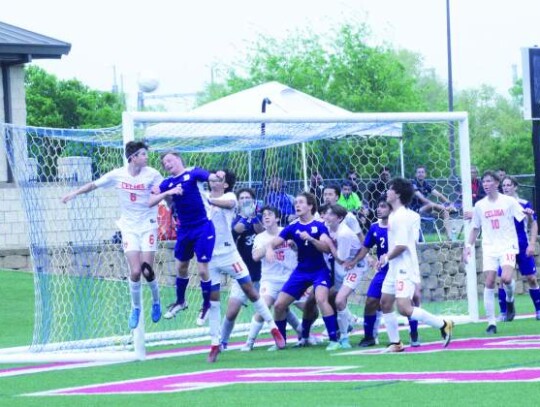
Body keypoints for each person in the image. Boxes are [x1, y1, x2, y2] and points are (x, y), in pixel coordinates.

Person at [62, 141, 163, 330]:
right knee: (135, 271)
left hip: (148, 225)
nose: (146, 157)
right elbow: (94, 185)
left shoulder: (153, 174)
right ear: (133, 157)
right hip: (129, 227)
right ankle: (135, 308)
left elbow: (163, 191)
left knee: (147, 270)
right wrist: (73, 193)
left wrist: (166, 193)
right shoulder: (118, 174)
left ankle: (156, 301)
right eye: (142, 154)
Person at [202, 170, 284, 362]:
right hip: (211, 256)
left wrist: (252, 217)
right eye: (212, 179)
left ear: (225, 185)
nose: (214, 182)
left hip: (235, 258)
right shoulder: (206, 200)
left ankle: (274, 329)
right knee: (218, 302)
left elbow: (234, 208)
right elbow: (235, 229)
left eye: (219, 179)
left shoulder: (230, 198)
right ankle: (217, 343)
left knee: (258, 295)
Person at [379, 177, 453, 352]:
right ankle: (395, 343)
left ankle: (443, 324)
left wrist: (386, 257)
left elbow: (403, 245)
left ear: (396, 194)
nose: (387, 192)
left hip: (404, 267)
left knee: (404, 308)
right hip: (395, 267)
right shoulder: (395, 215)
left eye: (390, 189)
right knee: (385, 302)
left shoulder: (402, 216)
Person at [148, 151, 223, 326]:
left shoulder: (193, 172)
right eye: (164, 162)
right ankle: (181, 301)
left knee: (203, 270)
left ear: (179, 159)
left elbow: (210, 177)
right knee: (181, 267)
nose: (167, 164)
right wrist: (162, 192)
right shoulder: (168, 183)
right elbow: (151, 198)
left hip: (203, 226)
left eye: (170, 160)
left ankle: (206, 306)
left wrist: (217, 176)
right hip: (184, 230)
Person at [266, 192, 340, 350]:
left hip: (319, 270)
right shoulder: (292, 227)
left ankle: (334, 340)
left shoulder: (320, 225)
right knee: (279, 305)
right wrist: (269, 248)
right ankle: (281, 342)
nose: (297, 205)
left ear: (310, 206)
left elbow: (327, 249)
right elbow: (275, 242)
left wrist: (311, 239)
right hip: (301, 271)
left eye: (301, 202)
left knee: (321, 299)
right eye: (296, 203)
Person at [344, 199, 421, 348]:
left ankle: (414, 334)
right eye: (378, 206)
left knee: (409, 302)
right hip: (384, 271)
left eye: (383, 206)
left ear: (392, 209)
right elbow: (365, 248)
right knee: (371, 300)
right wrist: (353, 261)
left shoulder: (399, 225)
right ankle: (369, 337)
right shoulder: (374, 228)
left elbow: (409, 245)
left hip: (401, 268)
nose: (379, 209)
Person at [462, 171, 526, 334]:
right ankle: (491, 323)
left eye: (489, 181)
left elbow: (523, 216)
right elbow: (475, 228)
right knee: (489, 281)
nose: (485, 184)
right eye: (484, 181)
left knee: (505, 278)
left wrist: (529, 215)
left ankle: (510, 301)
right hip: (489, 247)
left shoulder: (509, 201)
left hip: (507, 245)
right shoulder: (480, 205)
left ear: (497, 183)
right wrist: (468, 247)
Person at [240, 206, 301, 351]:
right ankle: (249, 342)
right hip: (270, 280)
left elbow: (300, 249)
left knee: (306, 306)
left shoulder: (286, 232)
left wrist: (294, 246)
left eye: (270, 214)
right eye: (264, 215)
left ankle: (305, 334)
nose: (266, 217)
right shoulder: (260, 237)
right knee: (265, 306)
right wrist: (269, 246)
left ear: (278, 218)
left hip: (290, 278)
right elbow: (255, 256)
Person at [219, 188, 264, 350]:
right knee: (232, 310)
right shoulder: (234, 219)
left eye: (248, 198)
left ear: (253, 201)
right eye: (242, 198)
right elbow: (234, 232)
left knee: (282, 307)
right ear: (238, 202)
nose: (245, 200)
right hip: (243, 274)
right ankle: (222, 341)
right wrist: (244, 219)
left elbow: (262, 233)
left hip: (262, 274)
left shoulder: (259, 218)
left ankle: (302, 332)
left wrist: (252, 218)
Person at [321, 204, 367, 349]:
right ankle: (348, 325)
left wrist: (328, 243)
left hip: (353, 268)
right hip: (340, 268)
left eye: (330, 215)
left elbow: (341, 257)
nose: (326, 217)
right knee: (333, 298)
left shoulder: (344, 233)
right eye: (326, 214)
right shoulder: (328, 227)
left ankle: (344, 338)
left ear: (339, 218)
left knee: (339, 299)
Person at [497, 176, 540, 321]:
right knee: (503, 279)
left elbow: (533, 223)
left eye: (509, 185)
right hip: (505, 246)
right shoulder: (498, 204)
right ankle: (505, 312)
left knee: (531, 278)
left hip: (522, 244)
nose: (506, 187)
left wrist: (532, 244)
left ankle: (539, 310)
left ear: (515, 187)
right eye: (504, 185)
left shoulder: (524, 203)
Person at [410, 165, 456, 240]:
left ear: (425, 174)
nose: (420, 174)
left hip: (426, 210)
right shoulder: (412, 183)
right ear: (416, 174)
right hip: (415, 211)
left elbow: (440, 195)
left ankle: (449, 237)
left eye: (422, 172)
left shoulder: (426, 184)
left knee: (445, 212)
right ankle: (447, 208)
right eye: (419, 172)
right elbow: (422, 199)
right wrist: (440, 206)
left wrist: (449, 203)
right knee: (432, 204)